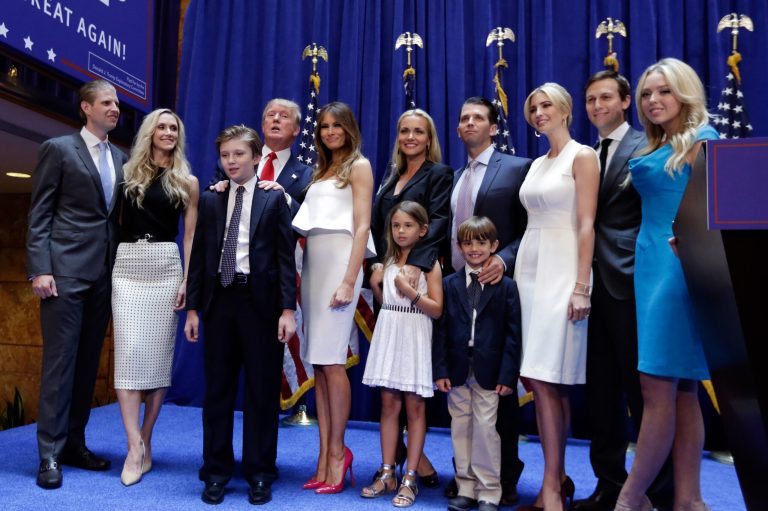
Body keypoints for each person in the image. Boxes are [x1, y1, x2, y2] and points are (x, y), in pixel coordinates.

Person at [614, 58, 718, 511]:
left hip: (677, 271)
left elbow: (723, 208)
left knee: (655, 385)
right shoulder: (660, 144)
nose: (653, 101)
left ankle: (630, 499)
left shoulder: (704, 139)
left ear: (685, 93)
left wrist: (696, 242)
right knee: (681, 389)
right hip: (650, 266)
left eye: (664, 92)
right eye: (647, 94)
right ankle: (689, 500)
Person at [574, 71, 673, 511]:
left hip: (633, 281)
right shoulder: (585, 153)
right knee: (600, 394)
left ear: (626, 101)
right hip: (586, 288)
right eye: (591, 99)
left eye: (606, 98)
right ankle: (609, 484)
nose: (597, 106)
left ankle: (658, 491)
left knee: (643, 392)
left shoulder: (646, 146)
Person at [184, 125, 296, 505]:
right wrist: (194, 310)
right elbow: (198, 259)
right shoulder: (213, 199)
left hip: (260, 305)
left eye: (239, 155)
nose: (231, 161)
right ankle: (216, 471)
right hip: (220, 304)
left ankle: (260, 472)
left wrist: (287, 309)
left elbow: (284, 260)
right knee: (217, 392)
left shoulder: (272, 199)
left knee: (262, 393)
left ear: (255, 157)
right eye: (225, 155)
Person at [27, 79, 127, 489]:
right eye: (107, 102)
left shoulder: (122, 158)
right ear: (85, 108)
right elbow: (40, 214)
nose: (115, 109)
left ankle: (74, 444)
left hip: (104, 274)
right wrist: (40, 268)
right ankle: (49, 452)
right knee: (60, 365)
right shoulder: (58, 149)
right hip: (64, 273)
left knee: (87, 365)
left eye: (117, 103)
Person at [514, 82, 599, 511]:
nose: (539, 112)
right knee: (542, 379)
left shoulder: (583, 156)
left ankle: (550, 489)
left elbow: (587, 225)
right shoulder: (536, 164)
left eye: (547, 105)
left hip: (563, 271)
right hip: (528, 270)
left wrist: (581, 286)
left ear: (566, 110)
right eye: (533, 107)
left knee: (549, 381)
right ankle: (558, 479)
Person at [445, 96, 531, 505]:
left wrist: (504, 258)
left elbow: (532, 227)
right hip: (460, 292)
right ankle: (467, 481)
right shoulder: (457, 177)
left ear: (494, 127)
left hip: (500, 288)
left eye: (478, 117)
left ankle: (501, 481)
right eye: (464, 119)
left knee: (497, 399)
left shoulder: (516, 168)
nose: (470, 123)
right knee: (463, 401)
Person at [112, 108, 199, 486]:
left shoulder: (187, 181)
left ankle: (146, 437)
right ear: (149, 132)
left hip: (166, 266)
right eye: (162, 127)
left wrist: (187, 281)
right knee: (129, 355)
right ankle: (134, 446)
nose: (168, 132)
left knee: (159, 359)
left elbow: (191, 236)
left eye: (173, 128)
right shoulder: (126, 174)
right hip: (128, 266)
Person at [292, 101, 375, 494]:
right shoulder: (321, 170)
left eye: (336, 125)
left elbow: (362, 227)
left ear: (349, 128)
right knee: (320, 365)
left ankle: (340, 454)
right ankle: (324, 455)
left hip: (341, 261)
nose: (329, 132)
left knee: (334, 362)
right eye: (324, 126)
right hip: (313, 264)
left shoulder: (359, 166)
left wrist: (349, 279)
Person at [369, 108, 452, 486]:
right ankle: (397, 462)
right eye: (404, 130)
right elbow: (379, 225)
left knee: (411, 386)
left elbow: (436, 222)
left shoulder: (438, 174)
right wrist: (376, 265)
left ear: (429, 137)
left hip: (415, 280)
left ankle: (414, 469)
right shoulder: (391, 177)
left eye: (418, 131)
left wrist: (415, 267)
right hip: (388, 276)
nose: (411, 137)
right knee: (390, 383)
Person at [433, 216, 522, 511]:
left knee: (485, 428)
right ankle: (466, 487)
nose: (474, 249)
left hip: (490, 370)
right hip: (458, 368)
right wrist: (441, 369)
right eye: (467, 243)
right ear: (458, 246)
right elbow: (441, 330)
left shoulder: (507, 287)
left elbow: (512, 335)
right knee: (460, 427)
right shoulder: (449, 284)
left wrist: (508, 375)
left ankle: (489, 491)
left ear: (494, 246)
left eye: (481, 242)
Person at [361, 201, 443, 507]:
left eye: (408, 225)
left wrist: (412, 292)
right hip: (390, 333)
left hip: (415, 336)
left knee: (415, 407)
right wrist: (377, 286)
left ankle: (410, 477)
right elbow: (389, 305)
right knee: (388, 404)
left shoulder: (430, 262)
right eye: (396, 225)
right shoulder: (389, 260)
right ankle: (387, 473)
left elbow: (436, 309)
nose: (401, 231)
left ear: (422, 230)